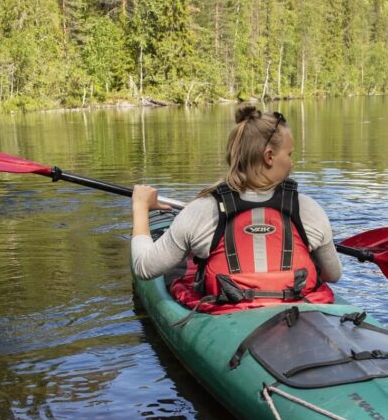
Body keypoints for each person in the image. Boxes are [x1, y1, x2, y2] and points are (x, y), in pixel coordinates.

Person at [130, 105, 341, 312]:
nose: (291, 163)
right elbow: (332, 275)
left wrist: (140, 207)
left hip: (229, 315)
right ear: (269, 156)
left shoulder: (201, 211)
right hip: (298, 311)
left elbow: (144, 267)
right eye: (289, 154)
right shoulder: (309, 209)